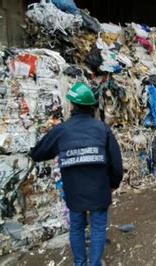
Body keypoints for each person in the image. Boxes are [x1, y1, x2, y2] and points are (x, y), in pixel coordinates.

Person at [29, 82, 123, 266]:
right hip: (99, 190)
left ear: (72, 106)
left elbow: (38, 153)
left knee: (77, 228)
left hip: (74, 192)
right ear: (91, 107)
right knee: (97, 228)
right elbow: (116, 163)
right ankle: (94, 263)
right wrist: (113, 183)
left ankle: (80, 263)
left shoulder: (62, 130)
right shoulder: (102, 129)